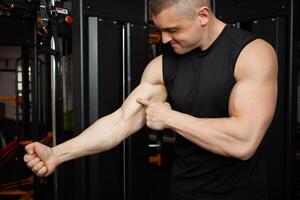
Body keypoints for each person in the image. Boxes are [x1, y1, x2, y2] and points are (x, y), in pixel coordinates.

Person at [24, 0, 278, 199]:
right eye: (160, 30)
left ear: (203, 16)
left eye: (173, 29)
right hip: (183, 192)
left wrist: (171, 118)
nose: (165, 39)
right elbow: (120, 122)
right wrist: (57, 154)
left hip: (240, 194)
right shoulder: (162, 65)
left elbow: (243, 142)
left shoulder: (251, 54)